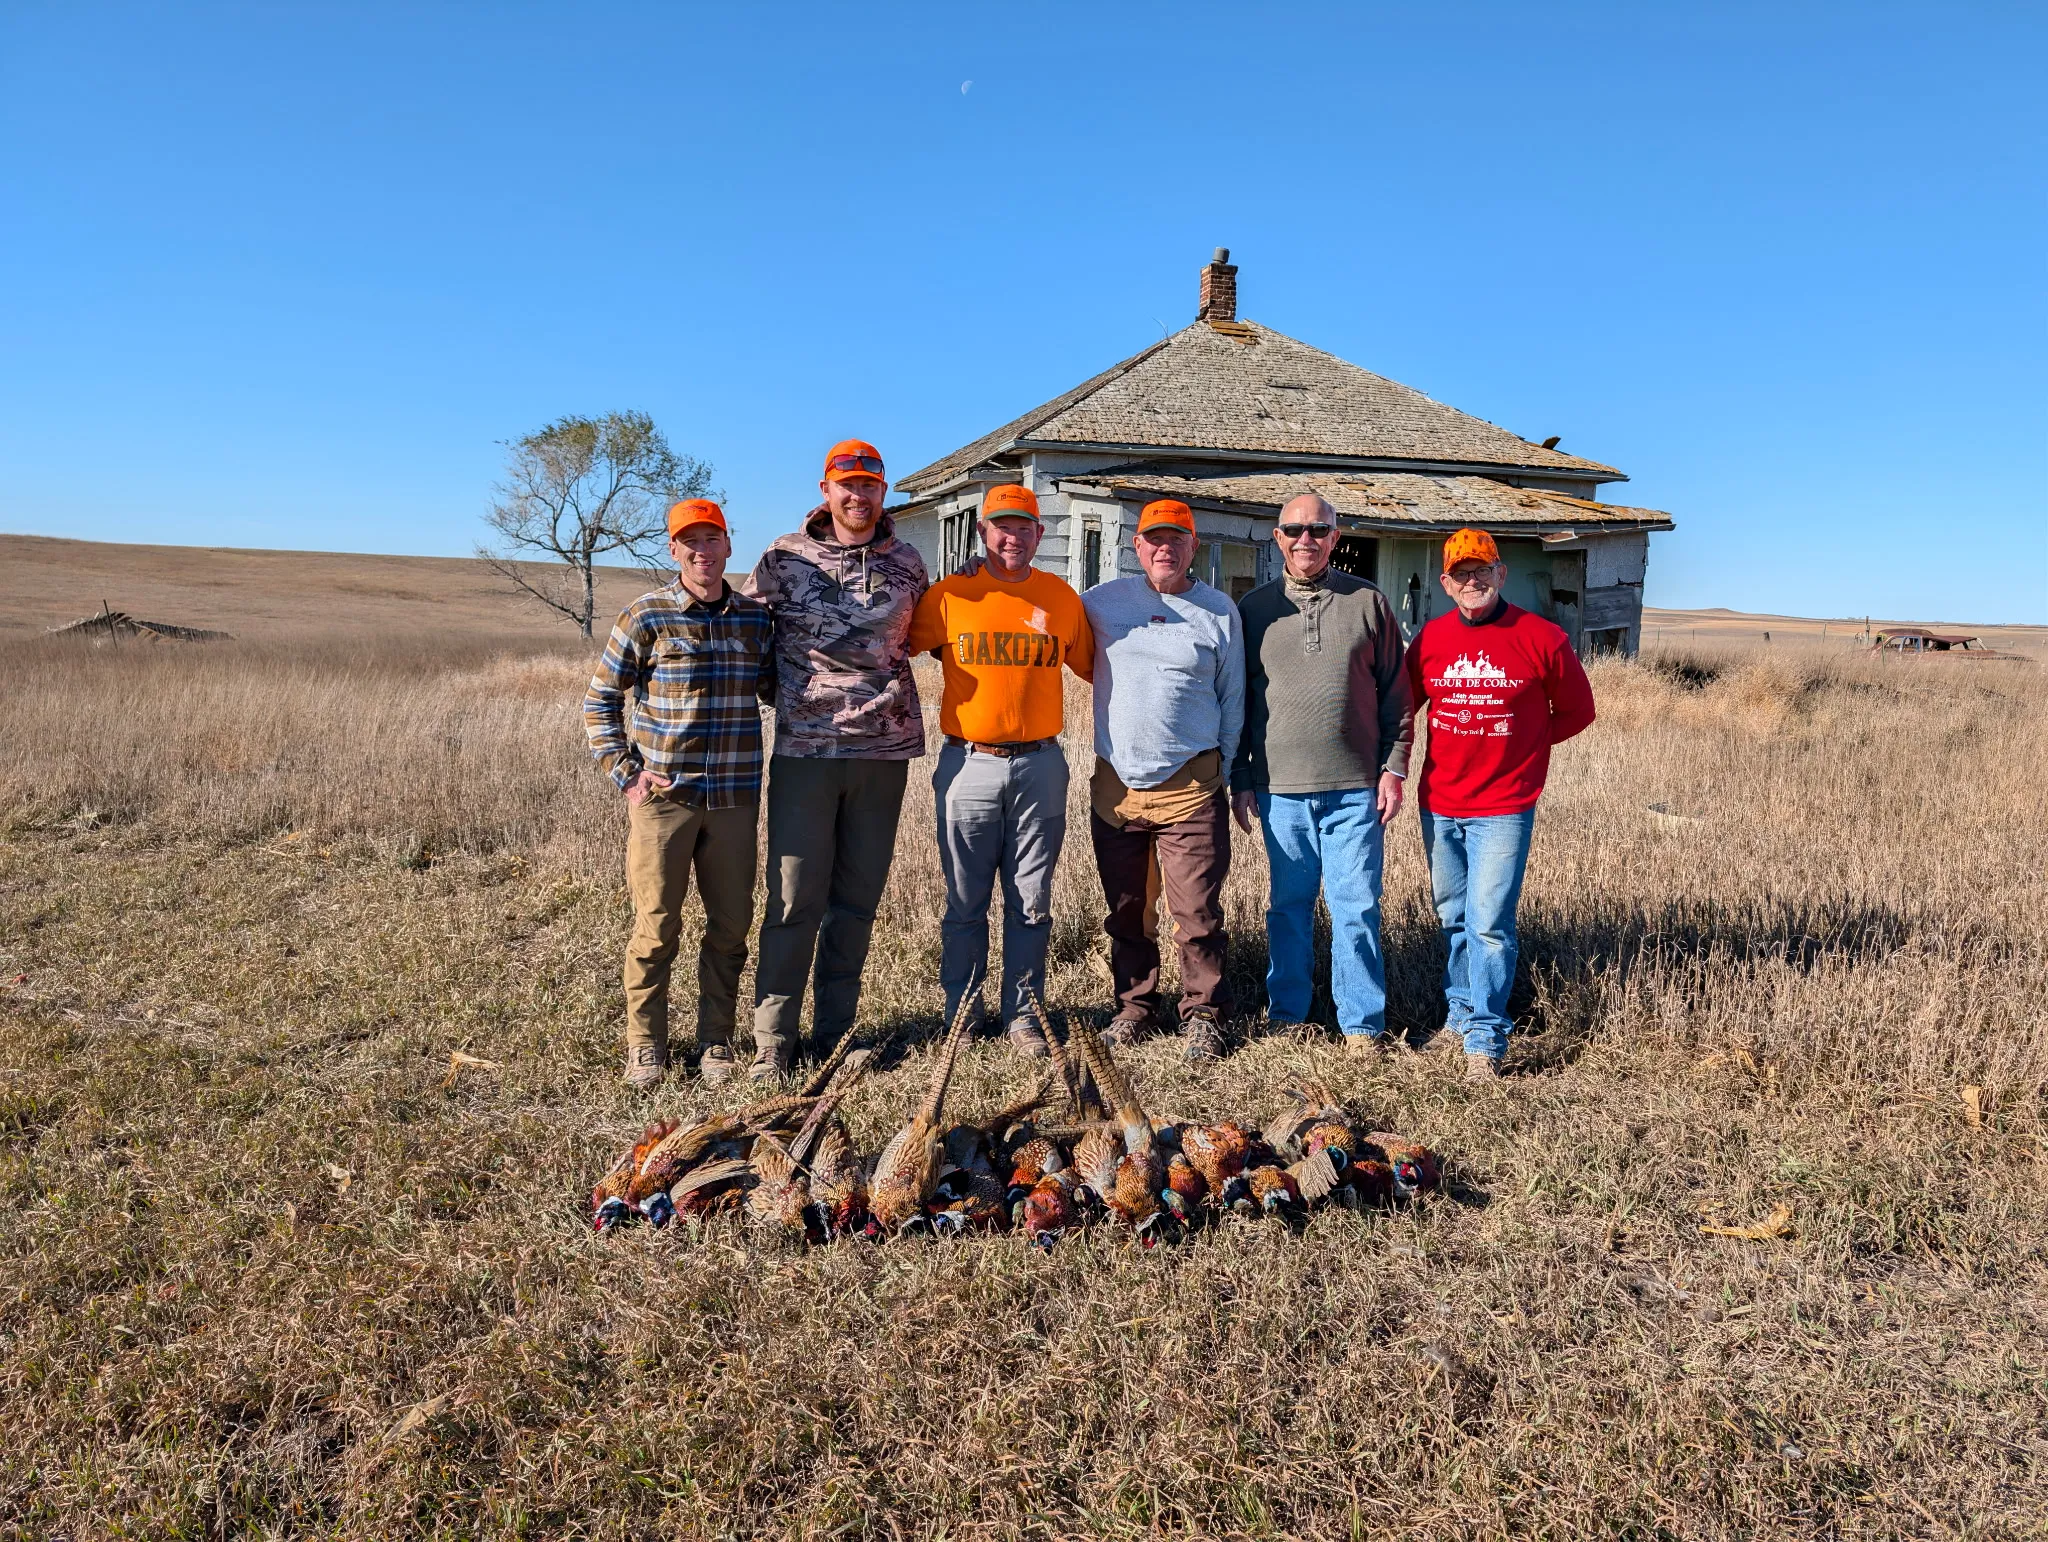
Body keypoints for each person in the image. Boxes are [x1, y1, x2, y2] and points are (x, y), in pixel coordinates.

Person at [742, 440, 929, 1078]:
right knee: (794, 898)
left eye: (869, 485)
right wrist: (789, 697)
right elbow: (748, 639)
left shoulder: (908, 562)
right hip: (806, 752)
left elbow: (923, 634)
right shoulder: (783, 558)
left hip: (885, 753)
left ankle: (835, 1034)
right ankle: (773, 1039)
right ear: (826, 490)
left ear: (883, 491)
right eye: (846, 485)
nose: (858, 495)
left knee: (856, 900)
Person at [583, 499, 775, 1089]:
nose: (702, 551)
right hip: (666, 800)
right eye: (689, 541)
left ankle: (716, 1040)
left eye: (711, 539)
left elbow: (779, 689)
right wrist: (627, 773)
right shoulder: (647, 616)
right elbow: (600, 701)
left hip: (735, 798)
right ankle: (646, 1045)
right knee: (656, 926)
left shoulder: (755, 620)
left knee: (731, 926)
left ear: (728, 545)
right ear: (673, 550)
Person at [905, 484, 1093, 1057]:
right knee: (965, 900)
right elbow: (888, 649)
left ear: (1040, 533)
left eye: (1023, 526)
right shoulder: (947, 597)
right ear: (983, 532)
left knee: (1031, 899)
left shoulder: (1061, 598)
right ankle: (962, 1013)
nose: (1012, 537)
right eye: (1001, 526)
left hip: (1041, 764)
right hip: (969, 762)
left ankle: (1025, 1016)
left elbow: (1099, 668)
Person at [1406, 527, 1596, 1081]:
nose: (1473, 581)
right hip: (1440, 801)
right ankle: (1460, 1013)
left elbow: (1578, 711)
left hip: (1504, 806)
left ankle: (1486, 1038)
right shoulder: (1431, 639)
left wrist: (1525, 748)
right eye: (1461, 573)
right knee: (1453, 918)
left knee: (1489, 923)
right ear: (1446, 583)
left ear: (1501, 574)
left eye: (1482, 570)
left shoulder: (1541, 637)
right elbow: (1404, 709)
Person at [1229, 493, 1413, 1053]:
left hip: (1355, 789)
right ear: (1277, 538)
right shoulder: (1252, 610)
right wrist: (1241, 778)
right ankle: (1288, 1017)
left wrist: (1394, 767)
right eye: (1294, 530)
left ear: (1336, 537)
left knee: (1356, 908)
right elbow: (1237, 703)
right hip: (1279, 790)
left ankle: (1361, 1027)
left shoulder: (1368, 602)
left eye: (1317, 530)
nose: (1305, 540)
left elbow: (1397, 694)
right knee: (1288, 909)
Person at [1082, 498, 1246, 1063]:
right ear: (1137, 545)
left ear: (1194, 546)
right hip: (1117, 790)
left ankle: (1204, 1015)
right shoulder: (1100, 603)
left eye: (1177, 539)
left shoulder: (1219, 611)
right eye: (1155, 538)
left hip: (1192, 788)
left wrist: (1225, 772)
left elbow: (1232, 700)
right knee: (1128, 912)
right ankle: (1134, 1009)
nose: (1165, 549)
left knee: (1196, 915)